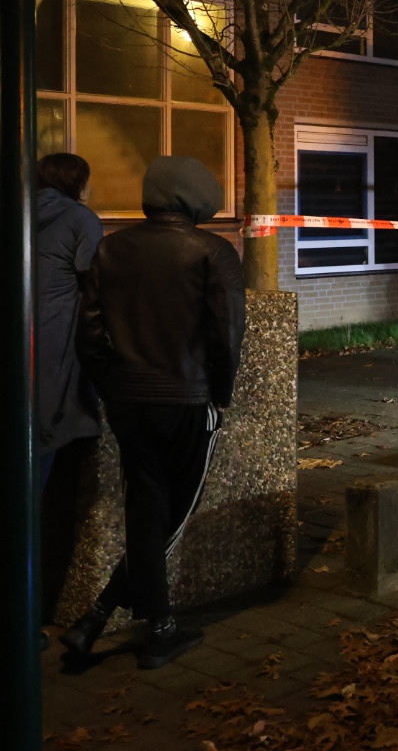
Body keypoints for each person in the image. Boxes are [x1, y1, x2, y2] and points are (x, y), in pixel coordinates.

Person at [61, 156, 245, 669]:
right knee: (172, 515)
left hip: (128, 402)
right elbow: (227, 333)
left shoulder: (111, 248)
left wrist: (112, 387)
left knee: (146, 508)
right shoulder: (213, 251)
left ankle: (104, 619)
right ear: (198, 199)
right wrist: (220, 394)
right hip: (188, 399)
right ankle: (141, 626)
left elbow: (89, 334)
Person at [34, 153, 104, 486]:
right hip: (57, 332)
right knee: (50, 424)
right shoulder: (80, 218)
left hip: (24, 329)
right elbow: (94, 279)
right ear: (78, 183)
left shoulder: (18, 212)